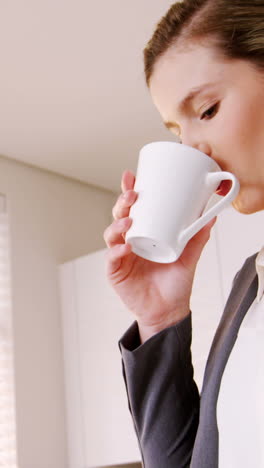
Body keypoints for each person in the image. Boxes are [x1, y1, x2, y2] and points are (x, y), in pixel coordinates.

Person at [104, 0, 264, 466]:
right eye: (178, 132)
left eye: (207, 109)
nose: (196, 151)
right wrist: (160, 316)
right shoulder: (250, 284)